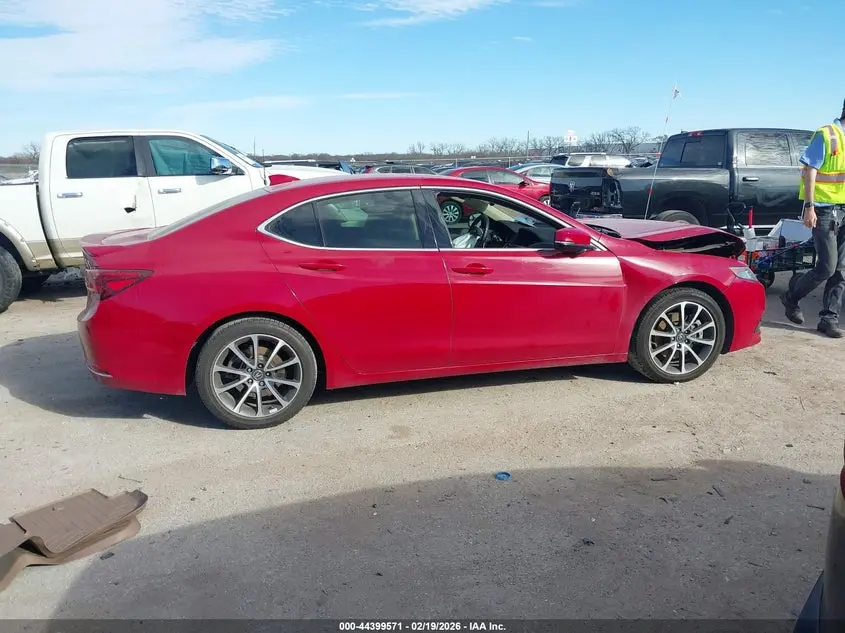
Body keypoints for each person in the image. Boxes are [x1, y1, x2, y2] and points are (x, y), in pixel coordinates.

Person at [780, 99, 845, 338]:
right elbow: (810, 170)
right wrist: (809, 207)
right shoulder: (827, 135)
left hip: (844, 210)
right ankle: (791, 296)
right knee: (826, 267)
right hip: (824, 209)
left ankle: (829, 319)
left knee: (841, 269)